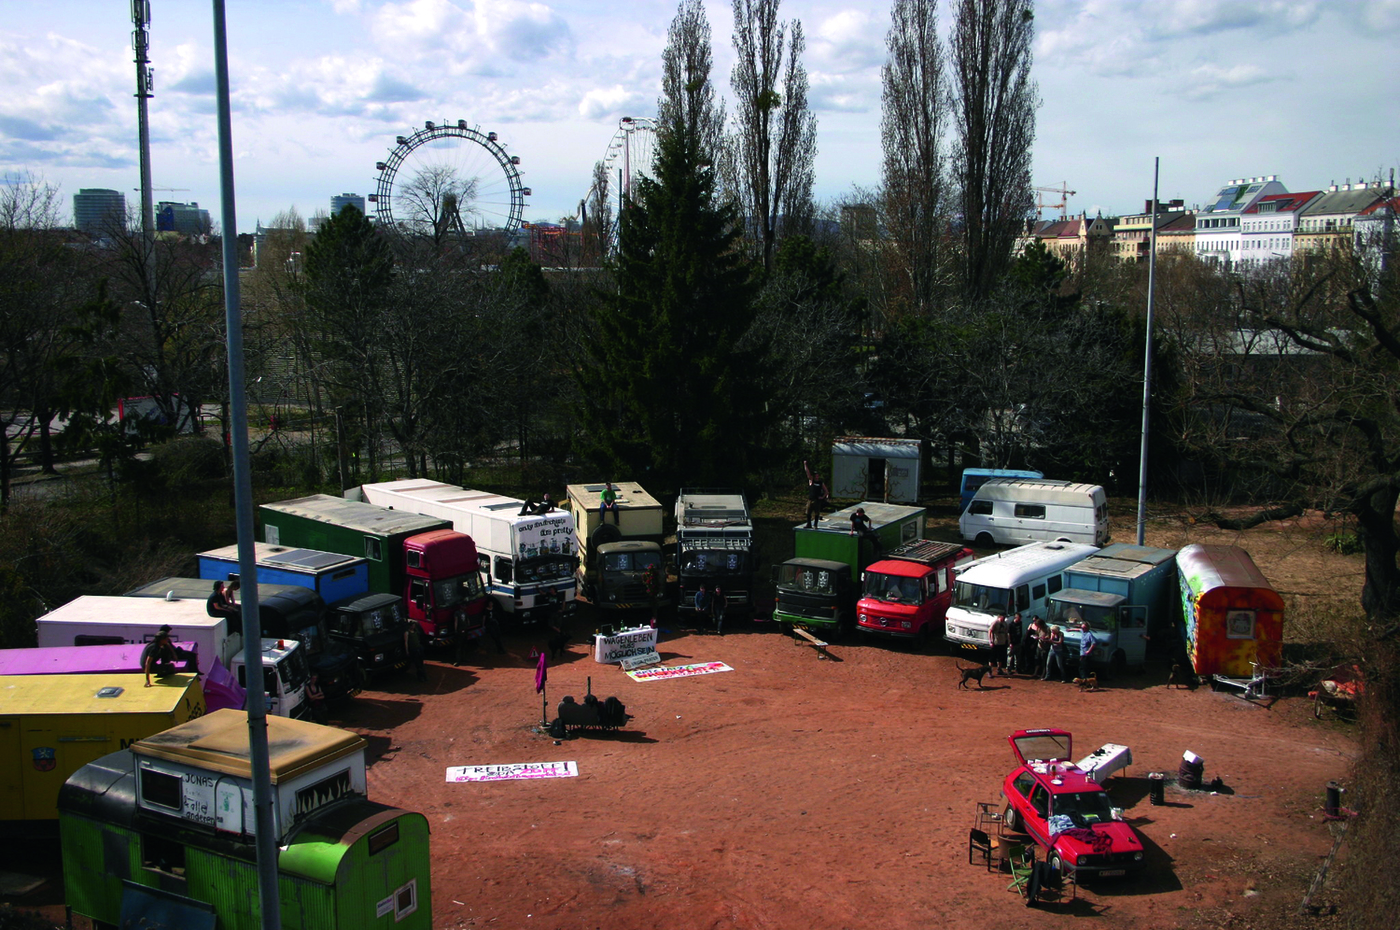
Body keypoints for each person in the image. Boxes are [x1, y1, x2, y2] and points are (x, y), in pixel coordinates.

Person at [803, 460, 829, 529]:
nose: (817, 477)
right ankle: (809, 524)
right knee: (808, 512)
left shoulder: (820, 483)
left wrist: (823, 497)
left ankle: (815, 525)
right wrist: (805, 465)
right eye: (815, 476)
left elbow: (826, 491)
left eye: (818, 476)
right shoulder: (811, 481)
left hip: (817, 500)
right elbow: (808, 474)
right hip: (810, 499)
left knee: (817, 513)